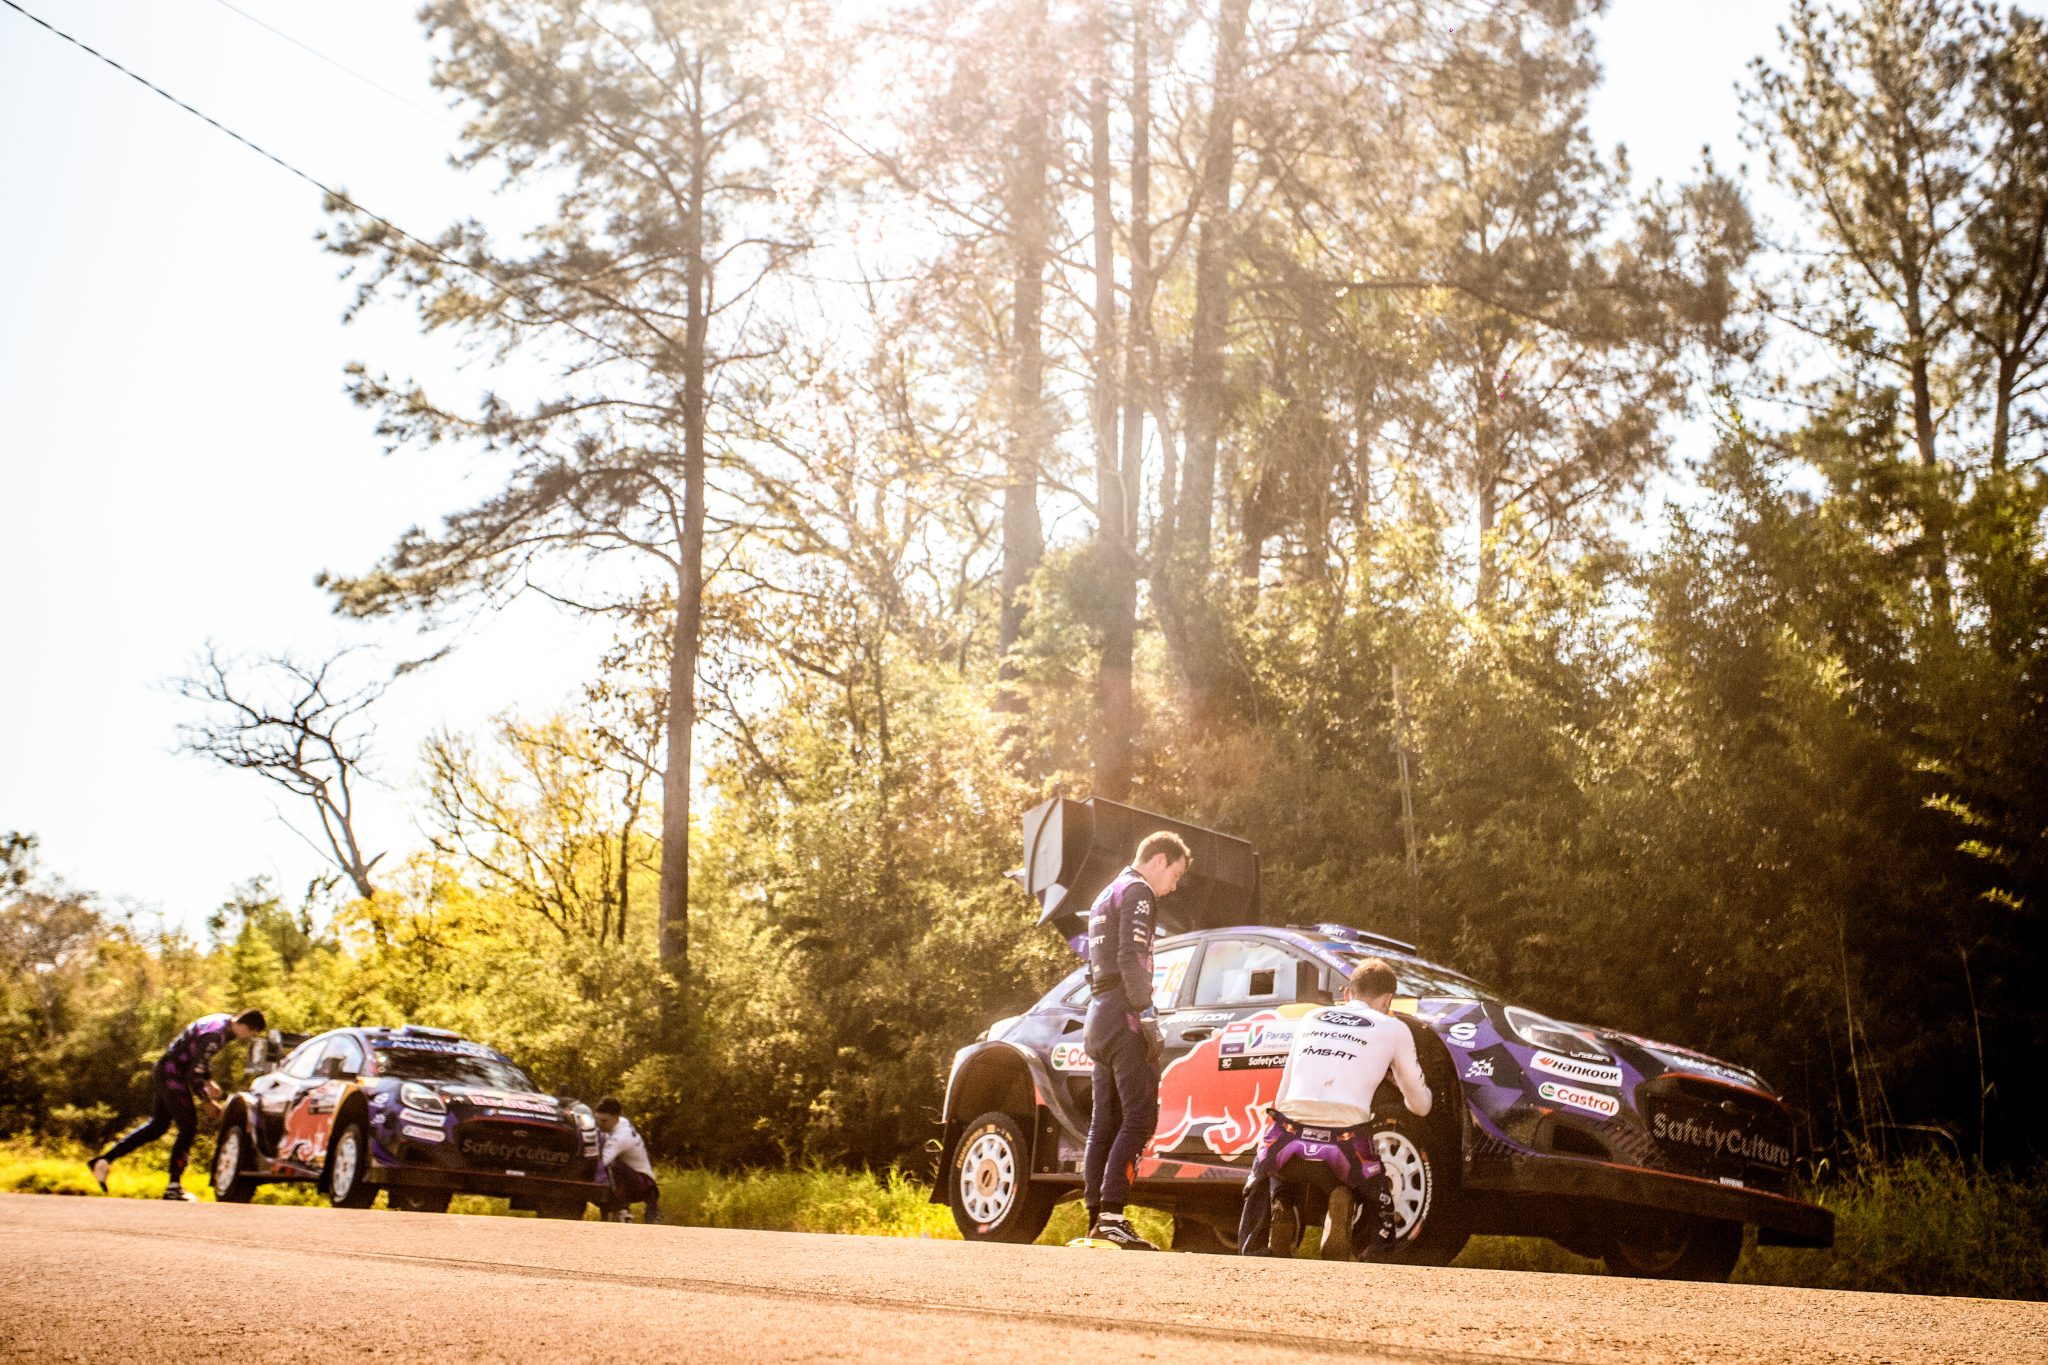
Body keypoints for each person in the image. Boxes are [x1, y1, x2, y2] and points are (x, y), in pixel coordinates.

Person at [1236, 958, 1432, 1259]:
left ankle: (1281, 1204)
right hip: (1345, 1146)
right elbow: (1420, 1106)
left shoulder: (1310, 1018)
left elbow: (1280, 1099)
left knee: (1273, 1160)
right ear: (1387, 999)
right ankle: (1348, 1209)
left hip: (1288, 1140)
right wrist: (1395, 1079)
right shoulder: (1394, 1028)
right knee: (1372, 1190)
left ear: (1348, 993)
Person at [1080, 830, 1191, 1250]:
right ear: (1160, 860)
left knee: (1104, 1122)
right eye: (1175, 875)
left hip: (1099, 1012)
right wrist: (1146, 1013)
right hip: (1124, 1012)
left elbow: (1097, 962)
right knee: (1139, 1118)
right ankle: (1111, 1218)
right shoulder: (1139, 890)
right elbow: (1131, 955)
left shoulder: (1105, 893)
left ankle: (1097, 1220)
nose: (1173, 887)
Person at [90, 1008, 266, 1200]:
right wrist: (206, 1101)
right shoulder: (216, 1035)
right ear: (245, 1026)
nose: (249, 1038)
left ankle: (104, 1160)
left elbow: (198, 1057)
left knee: (158, 1126)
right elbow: (194, 1072)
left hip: (165, 1070)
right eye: (252, 1033)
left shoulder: (221, 1021)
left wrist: (209, 1080)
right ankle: (173, 1187)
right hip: (172, 1075)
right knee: (188, 1126)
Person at [593, 1097, 661, 1225]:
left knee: (608, 1166)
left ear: (615, 1117)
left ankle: (622, 1210)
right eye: (598, 1120)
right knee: (605, 1171)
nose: (600, 1124)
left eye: (604, 1121)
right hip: (633, 1179)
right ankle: (612, 1212)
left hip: (643, 1185)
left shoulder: (621, 1137)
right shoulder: (621, 1122)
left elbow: (603, 1162)